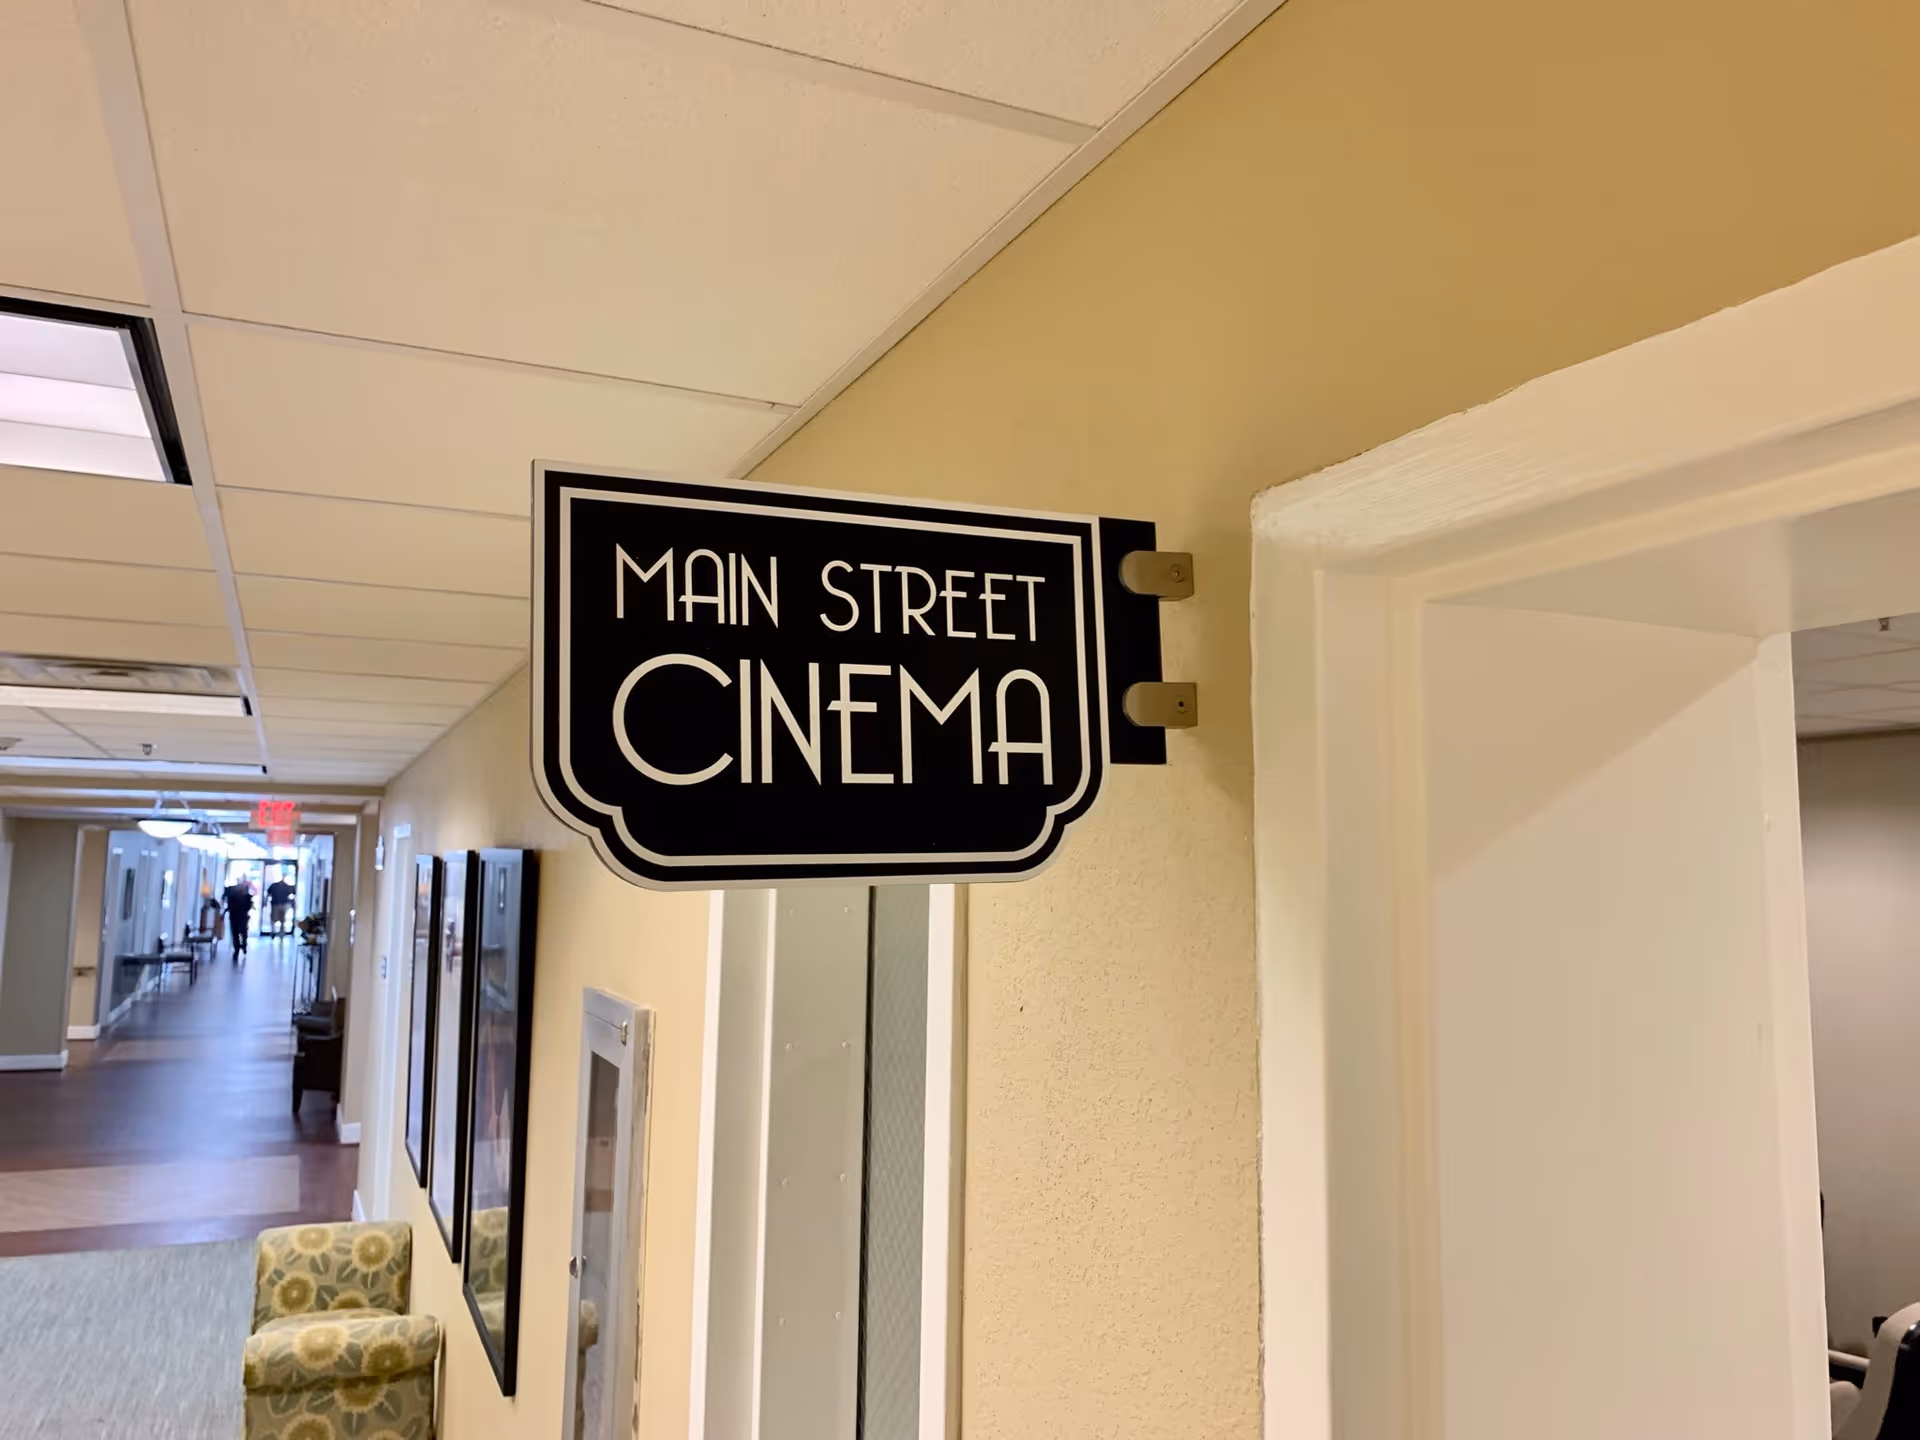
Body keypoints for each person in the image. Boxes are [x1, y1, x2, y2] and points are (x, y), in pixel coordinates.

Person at [223, 877, 255, 963]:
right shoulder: (245, 897)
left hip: (236, 917)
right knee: (241, 933)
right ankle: (240, 947)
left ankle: (239, 947)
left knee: (237, 933)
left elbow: (229, 906)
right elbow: (248, 906)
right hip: (241, 917)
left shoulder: (233, 896)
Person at [266, 870, 295, 937]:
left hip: (279, 904)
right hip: (278, 904)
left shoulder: (285, 886)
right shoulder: (276, 885)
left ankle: (278, 932)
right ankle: (276, 932)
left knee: (280, 919)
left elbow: (293, 892)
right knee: (277, 919)